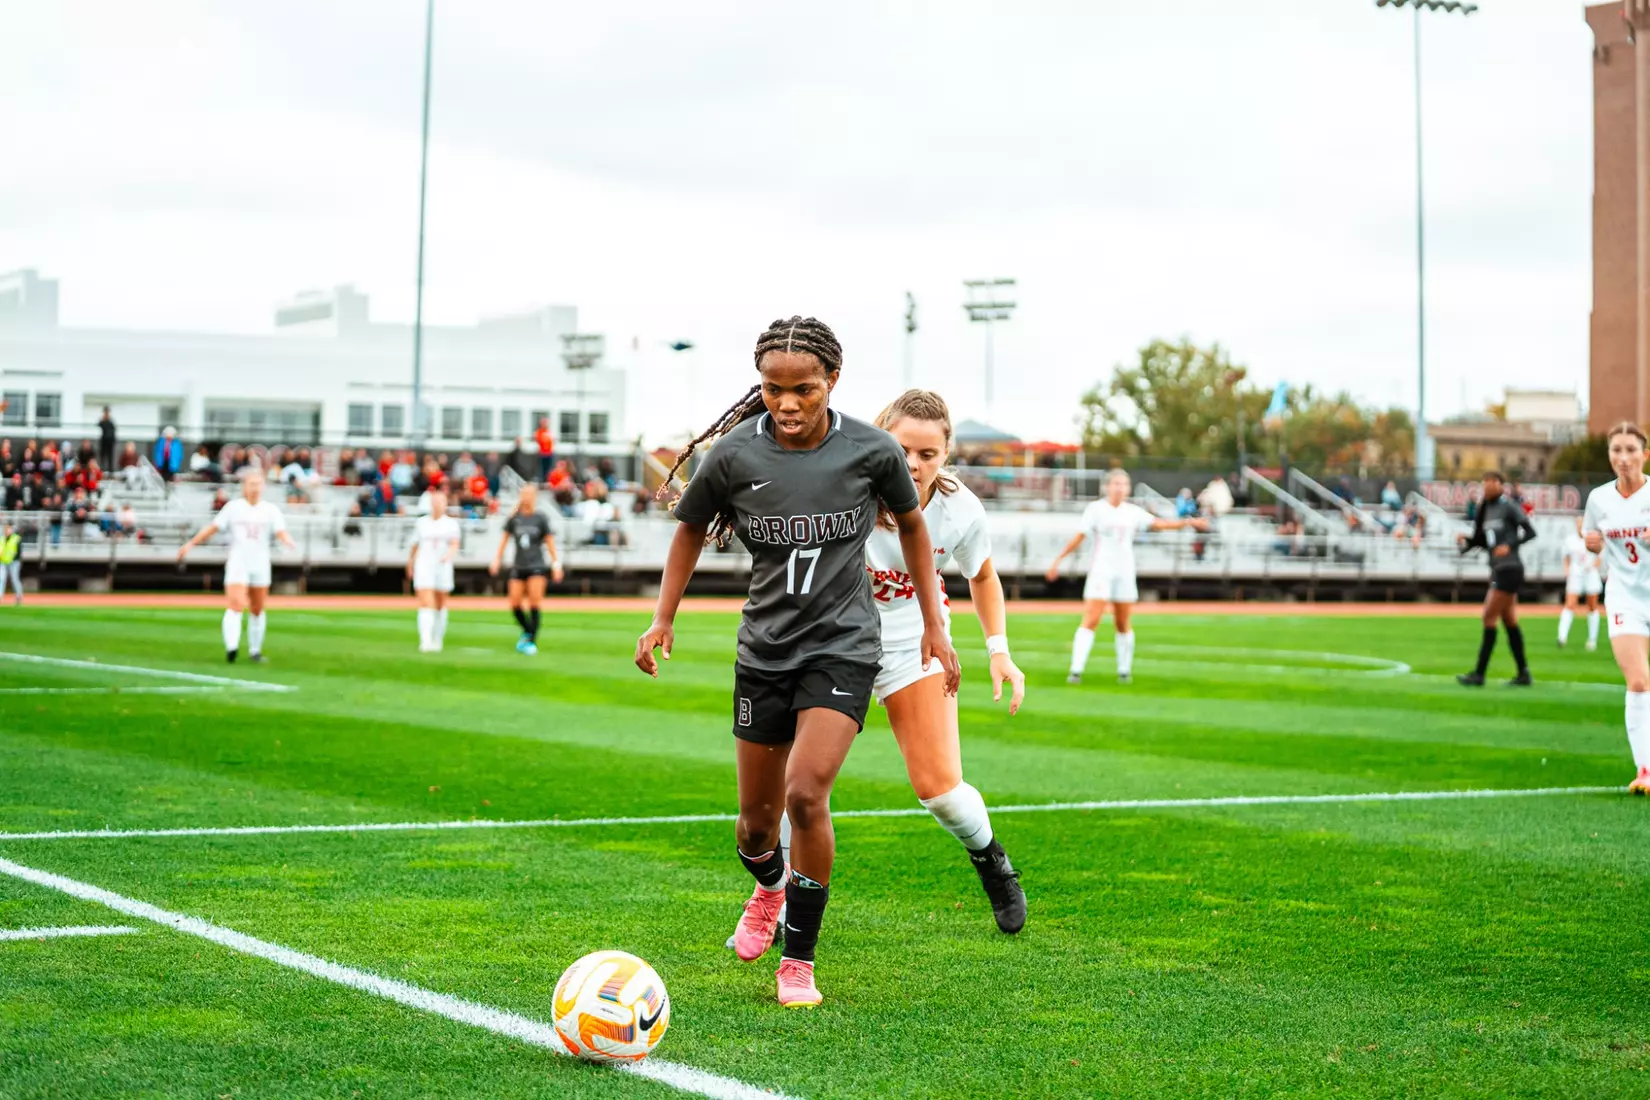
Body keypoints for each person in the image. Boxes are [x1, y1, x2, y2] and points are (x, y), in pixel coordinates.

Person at [634, 316, 960, 1009]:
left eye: (803, 389)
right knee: (754, 828)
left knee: (807, 794)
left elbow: (914, 525)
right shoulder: (734, 456)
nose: (786, 403)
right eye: (773, 389)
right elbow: (690, 527)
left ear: (832, 382)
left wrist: (935, 624)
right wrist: (663, 617)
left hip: (843, 648)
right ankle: (769, 887)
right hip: (764, 653)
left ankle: (799, 962)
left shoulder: (873, 452)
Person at [863, 390, 1028, 933]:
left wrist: (999, 651)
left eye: (928, 454)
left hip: (916, 639)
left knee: (941, 792)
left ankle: (992, 862)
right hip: (837, 638)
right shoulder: (847, 483)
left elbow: (981, 576)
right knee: (800, 784)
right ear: (883, 435)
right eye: (903, 448)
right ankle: (776, 900)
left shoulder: (960, 508)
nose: (913, 463)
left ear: (946, 453)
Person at [1045, 469, 1209, 684]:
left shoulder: (1132, 512)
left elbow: (1159, 524)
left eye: (1123, 484)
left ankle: (1124, 670)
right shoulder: (1095, 509)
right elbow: (1080, 536)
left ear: (1128, 488)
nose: (1119, 487)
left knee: (1122, 622)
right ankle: (1076, 670)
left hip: (1125, 572)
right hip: (1101, 571)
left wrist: (1189, 522)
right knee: (1091, 618)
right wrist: (1058, 560)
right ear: (1107, 486)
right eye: (1115, 483)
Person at [1584, 423, 1650, 793]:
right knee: (1639, 681)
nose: (1623, 459)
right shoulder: (1599, 499)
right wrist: (1592, 544)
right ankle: (1645, 770)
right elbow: (1593, 539)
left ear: (1645, 455)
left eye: (1630, 450)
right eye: (1616, 451)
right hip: (1625, 596)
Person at [176, 468, 295, 662]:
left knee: (257, 607)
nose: (255, 488)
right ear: (244, 487)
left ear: (263, 487)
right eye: (251, 484)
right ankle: (232, 647)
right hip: (239, 562)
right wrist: (191, 543)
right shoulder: (234, 507)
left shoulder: (270, 510)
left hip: (260, 562)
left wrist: (288, 540)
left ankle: (255, 651)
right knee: (236, 604)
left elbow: (281, 531)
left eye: (258, 484)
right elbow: (213, 527)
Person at [1455, 471, 1537, 687]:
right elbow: (1483, 541)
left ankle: (1479, 674)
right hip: (1497, 569)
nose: (1488, 487)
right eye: (1485, 484)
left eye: (1492, 483)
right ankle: (1523, 673)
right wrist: (1467, 542)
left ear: (1501, 485)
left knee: (1488, 616)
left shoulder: (1508, 506)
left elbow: (1530, 532)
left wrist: (1509, 546)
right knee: (1509, 620)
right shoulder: (1484, 508)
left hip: (1510, 568)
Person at [489, 482, 563, 655]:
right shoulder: (514, 518)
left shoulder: (540, 518)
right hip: (519, 564)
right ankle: (527, 631)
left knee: (534, 602)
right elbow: (504, 539)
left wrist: (556, 563)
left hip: (536, 565)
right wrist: (497, 559)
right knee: (514, 602)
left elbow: (550, 541)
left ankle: (530, 640)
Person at [408, 485, 461, 652]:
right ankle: (425, 640)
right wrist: (410, 563)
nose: (438, 505)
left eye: (441, 501)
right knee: (426, 601)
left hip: (442, 567)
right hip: (424, 565)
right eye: (435, 502)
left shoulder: (451, 524)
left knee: (440, 603)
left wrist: (447, 556)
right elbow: (415, 545)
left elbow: (454, 544)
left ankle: (437, 639)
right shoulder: (421, 523)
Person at [1560, 514, 1603, 652]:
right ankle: (1562, 637)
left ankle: (1592, 639)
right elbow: (1566, 557)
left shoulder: (1592, 538)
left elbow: (1600, 555)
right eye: (1578, 523)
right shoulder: (1570, 540)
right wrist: (1566, 570)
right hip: (1576, 574)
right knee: (1570, 603)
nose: (1580, 526)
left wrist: (1593, 566)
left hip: (1590, 574)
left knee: (1592, 605)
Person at [0, 523, 20, 605]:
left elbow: (19, 552)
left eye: (9, 529)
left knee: (14, 579)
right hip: (3, 562)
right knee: (1, 579)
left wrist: (13, 559)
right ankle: (0, 596)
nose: (8, 531)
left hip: (13, 562)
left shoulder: (16, 538)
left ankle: (18, 596)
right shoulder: (2, 539)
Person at [535, 417, 556, 484]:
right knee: (542, 469)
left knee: (550, 468)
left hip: (549, 453)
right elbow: (540, 440)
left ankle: (548, 480)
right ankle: (543, 481)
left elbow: (552, 441)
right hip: (543, 453)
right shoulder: (539, 432)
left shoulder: (549, 432)